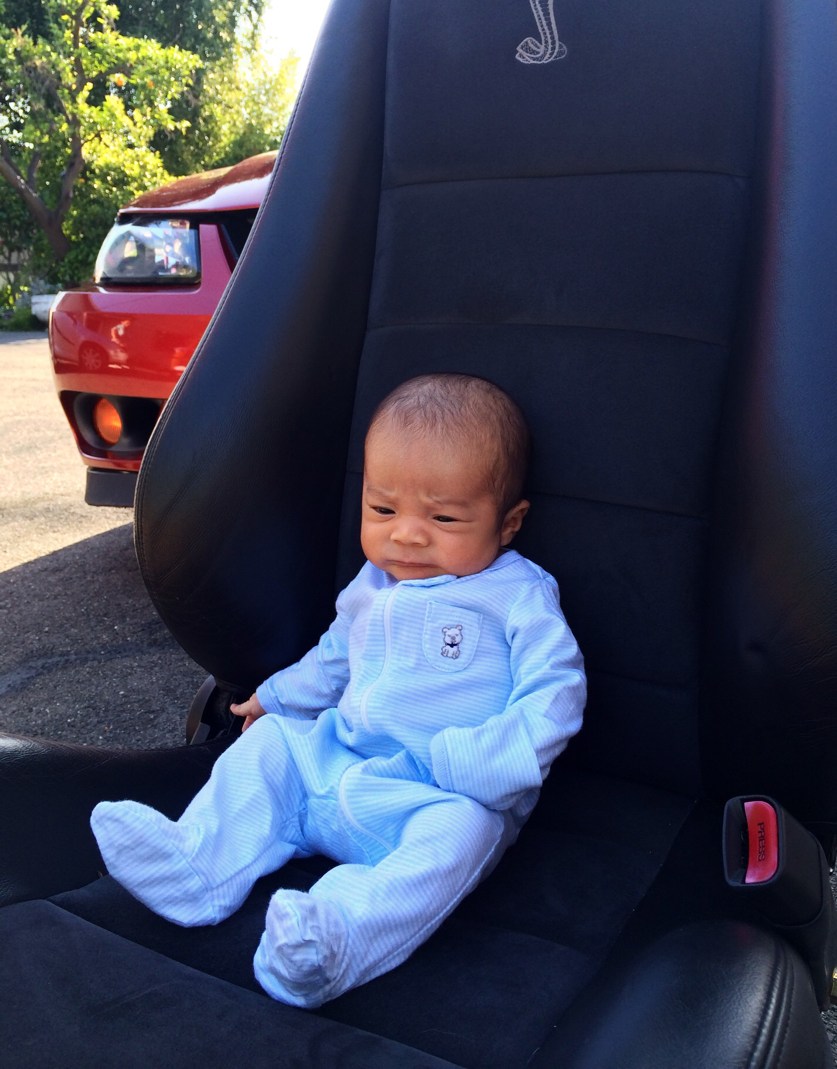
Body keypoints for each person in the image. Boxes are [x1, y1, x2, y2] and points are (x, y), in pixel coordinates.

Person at [90, 373, 586, 1007]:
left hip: (435, 794)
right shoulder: (372, 584)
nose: (407, 535)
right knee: (271, 743)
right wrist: (273, 699)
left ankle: (334, 939)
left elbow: (556, 691)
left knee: (461, 837)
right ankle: (197, 866)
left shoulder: (517, 595)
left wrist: (485, 764)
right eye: (383, 510)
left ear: (508, 523)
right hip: (333, 763)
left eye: (443, 517)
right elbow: (332, 661)